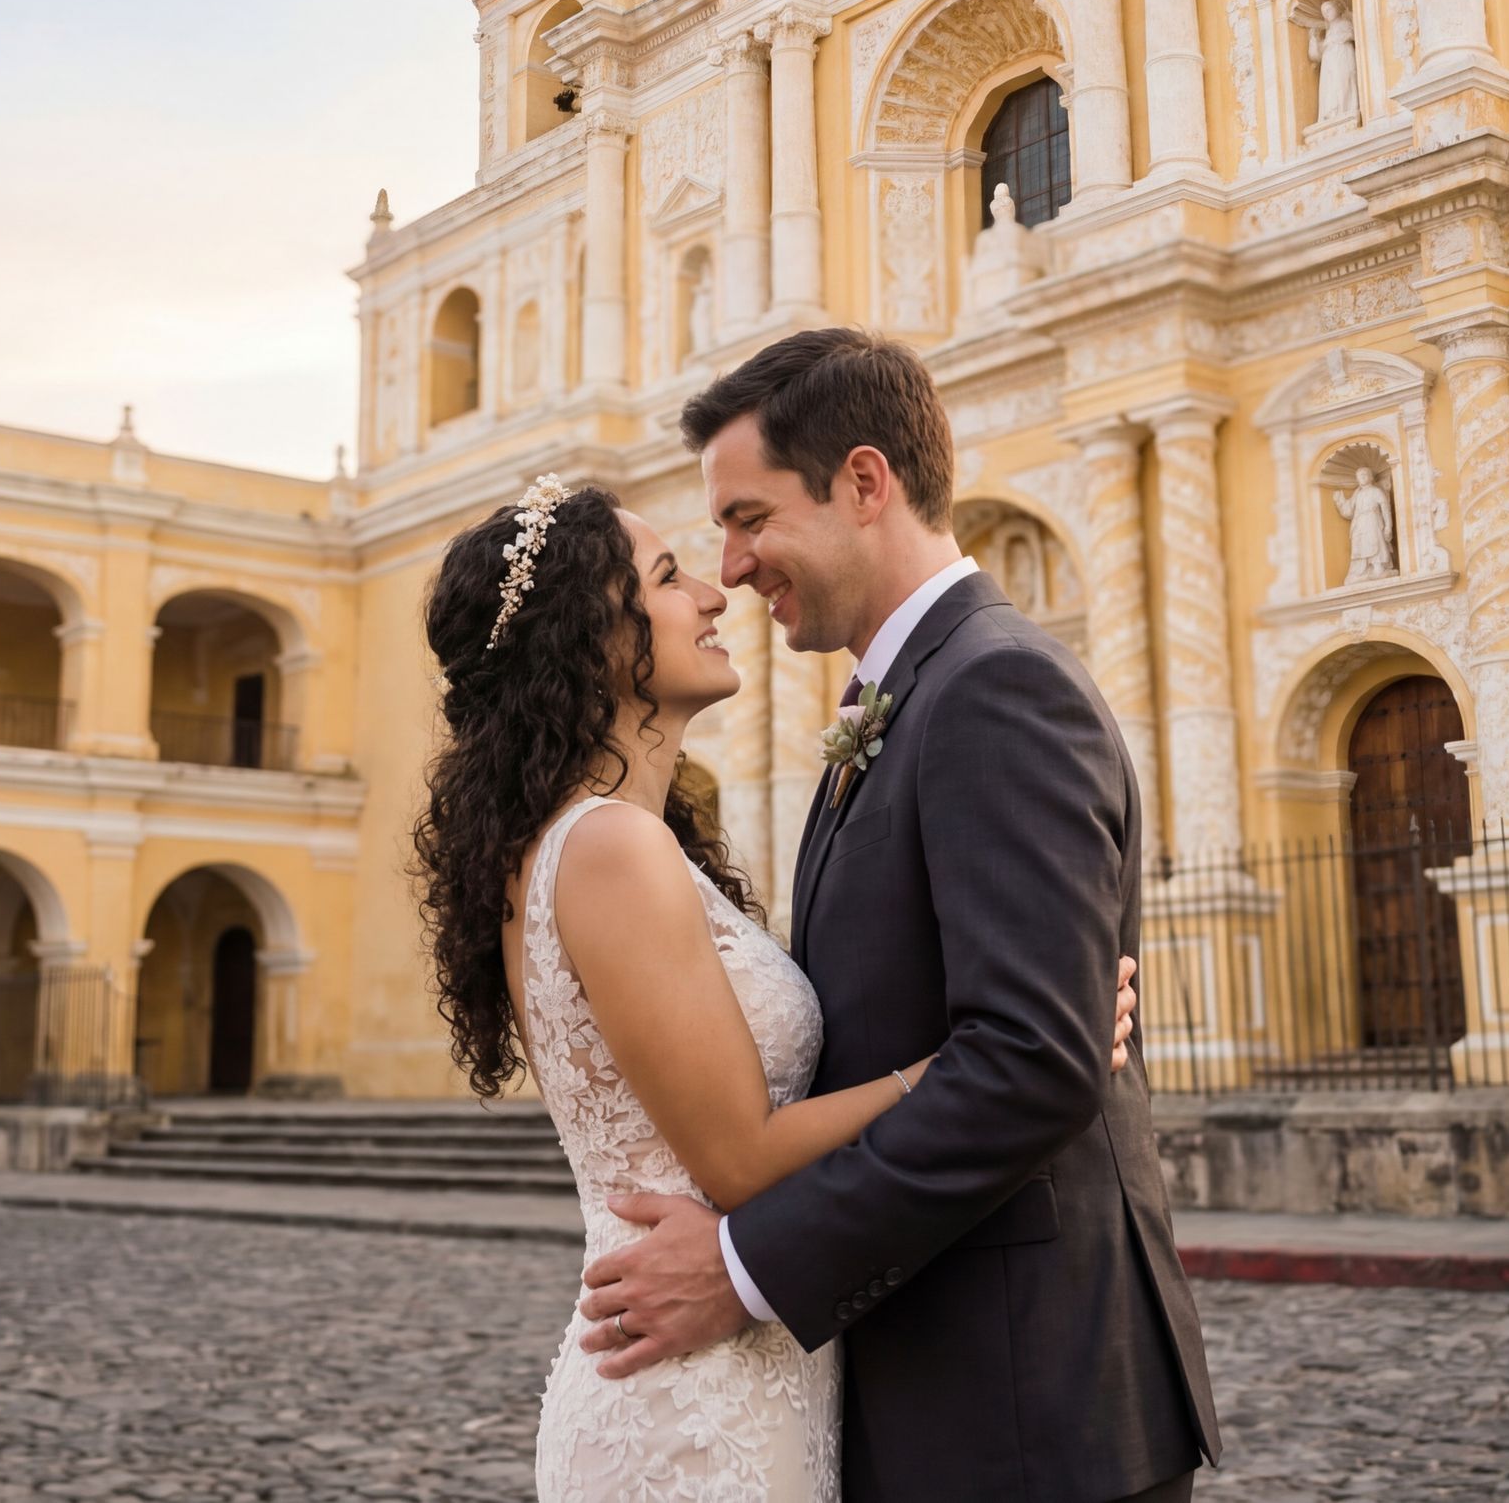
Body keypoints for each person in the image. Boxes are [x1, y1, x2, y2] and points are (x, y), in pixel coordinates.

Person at [413, 465, 1144, 1501]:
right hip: (690, 1397)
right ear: (596, 642)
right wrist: (970, 1060)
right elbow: (744, 1157)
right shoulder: (612, 846)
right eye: (669, 577)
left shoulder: (607, 840)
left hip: (745, 1361)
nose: (715, 591)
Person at [577, 326, 1217, 1500]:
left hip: (1022, 1403)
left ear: (864, 483)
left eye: (751, 517)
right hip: (936, 1382)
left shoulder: (995, 687)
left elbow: (1030, 1061)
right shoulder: (905, 695)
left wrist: (745, 1267)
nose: (732, 563)